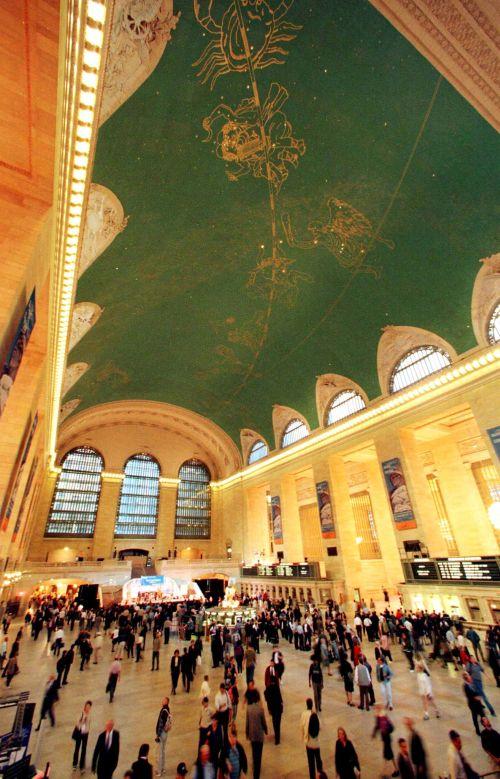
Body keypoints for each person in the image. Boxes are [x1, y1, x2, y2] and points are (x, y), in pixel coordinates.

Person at [245, 688, 267, 779]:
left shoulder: (249, 709)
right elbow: (263, 722)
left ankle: (255, 770)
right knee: (259, 754)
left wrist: (247, 733)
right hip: (259, 735)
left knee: (254, 753)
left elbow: (247, 723)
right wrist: (266, 730)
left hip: (252, 735)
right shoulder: (260, 709)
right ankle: (257, 772)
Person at [372, 704, 398, 778]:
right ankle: (395, 770)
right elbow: (377, 726)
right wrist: (374, 733)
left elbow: (392, 727)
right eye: (376, 708)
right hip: (385, 739)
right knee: (389, 755)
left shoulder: (384, 716)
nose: (376, 709)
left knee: (386, 756)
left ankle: (385, 774)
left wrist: (386, 731)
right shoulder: (378, 716)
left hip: (387, 739)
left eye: (377, 708)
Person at [300, 698, 322, 779]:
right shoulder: (315, 715)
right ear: (312, 704)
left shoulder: (303, 714)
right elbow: (320, 726)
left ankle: (312, 777)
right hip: (316, 742)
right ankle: (320, 775)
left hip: (308, 742)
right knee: (318, 759)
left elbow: (301, 726)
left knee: (311, 761)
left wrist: (303, 737)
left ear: (306, 704)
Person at [463, 671, 485, 736]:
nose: (471, 678)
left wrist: (479, 696)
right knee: (475, 717)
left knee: (482, 715)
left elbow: (477, 690)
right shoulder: (465, 686)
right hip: (472, 704)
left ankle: (485, 725)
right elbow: (468, 696)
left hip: (478, 703)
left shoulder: (473, 683)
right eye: (469, 677)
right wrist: (476, 697)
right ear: (467, 679)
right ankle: (477, 730)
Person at [72, 699, 92, 771]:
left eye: (89, 707)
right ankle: (74, 764)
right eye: (87, 706)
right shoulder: (81, 713)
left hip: (85, 734)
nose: (88, 708)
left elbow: (89, 724)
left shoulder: (89, 715)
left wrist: (87, 730)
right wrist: (83, 719)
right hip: (79, 732)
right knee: (77, 748)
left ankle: (81, 766)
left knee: (84, 749)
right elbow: (77, 724)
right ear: (85, 706)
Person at [263, 675, 283, 745]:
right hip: (278, 708)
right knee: (278, 723)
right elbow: (280, 698)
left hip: (272, 709)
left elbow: (265, 695)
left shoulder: (268, 689)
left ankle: (276, 736)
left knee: (274, 722)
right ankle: (278, 737)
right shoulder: (277, 688)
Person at [155, 697, 172, 776]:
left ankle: (159, 771)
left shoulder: (163, 711)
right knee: (163, 751)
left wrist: (157, 735)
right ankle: (163, 768)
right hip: (166, 733)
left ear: (166, 702)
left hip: (162, 733)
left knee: (160, 752)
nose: (162, 701)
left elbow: (161, 724)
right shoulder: (168, 709)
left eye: (163, 700)